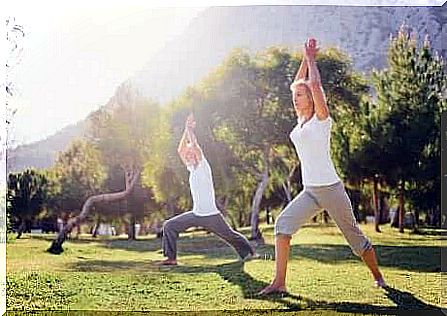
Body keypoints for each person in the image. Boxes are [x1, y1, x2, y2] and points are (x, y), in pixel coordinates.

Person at [259, 38, 386, 294]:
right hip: (310, 191)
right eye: (294, 96)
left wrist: (312, 61)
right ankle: (280, 282)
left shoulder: (321, 119)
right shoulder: (301, 122)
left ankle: (379, 277)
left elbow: (314, 84)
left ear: (312, 98)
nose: (295, 99)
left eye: (300, 95)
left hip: (331, 189)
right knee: (282, 226)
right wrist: (304, 61)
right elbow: (297, 84)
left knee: (355, 240)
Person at [157, 114, 257, 266]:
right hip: (197, 213)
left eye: (191, 154)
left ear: (197, 155)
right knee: (169, 225)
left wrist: (190, 130)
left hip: (211, 215)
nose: (188, 155)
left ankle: (251, 254)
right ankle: (171, 258)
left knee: (230, 235)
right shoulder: (191, 168)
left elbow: (195, 146)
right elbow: (180, 150)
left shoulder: (203, 166)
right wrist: (185, 130)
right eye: (188, 155)